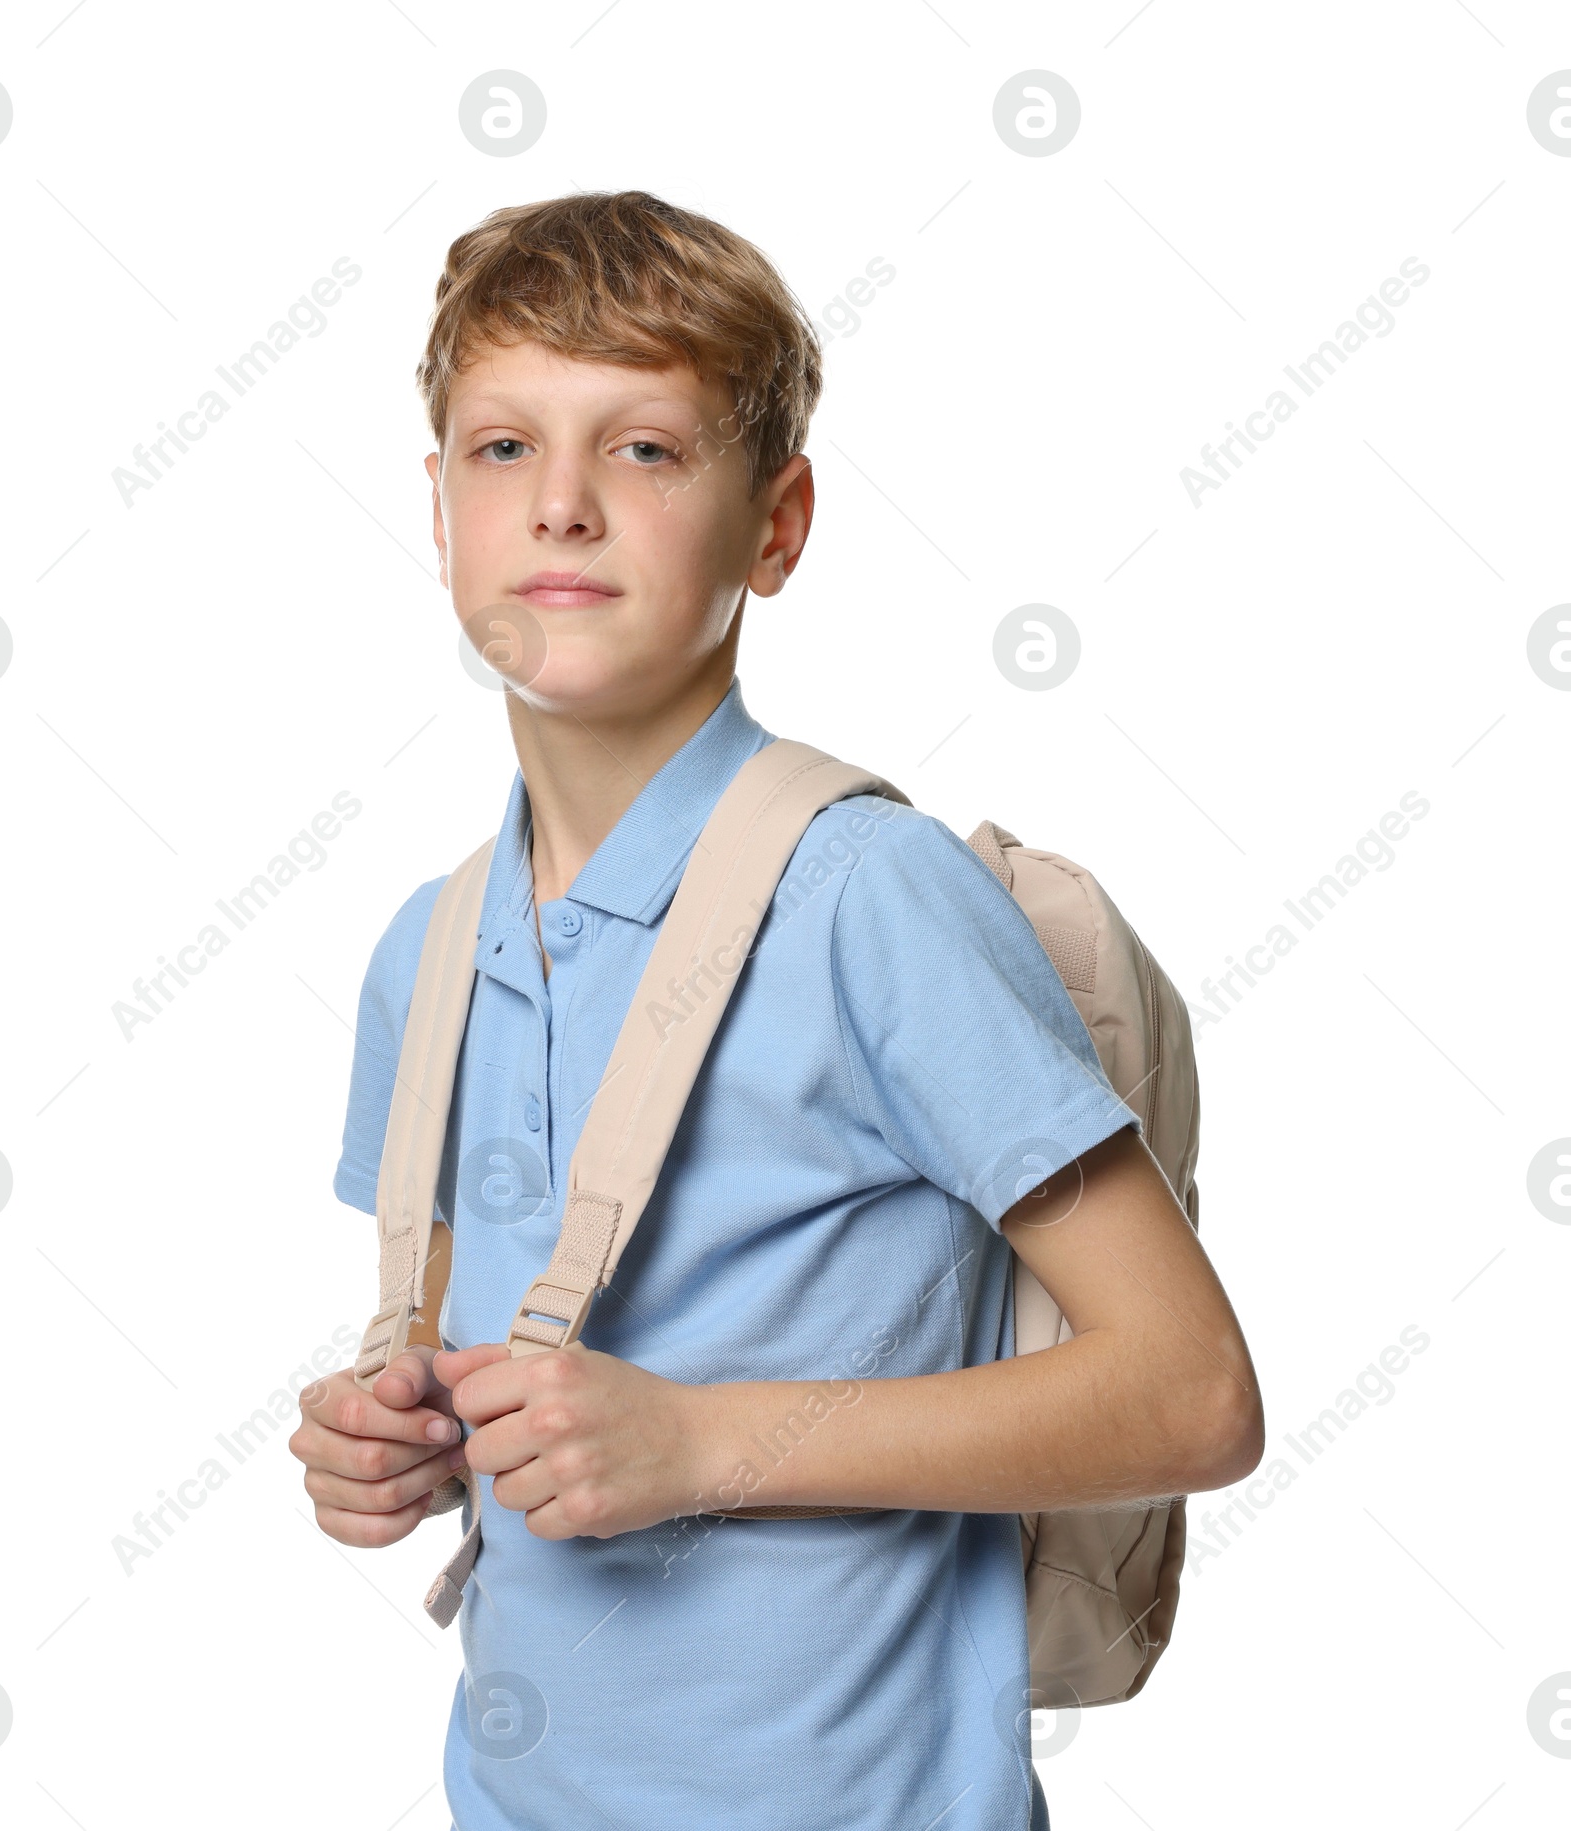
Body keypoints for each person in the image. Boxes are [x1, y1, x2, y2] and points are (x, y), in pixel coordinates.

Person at [288, 190, 1264, 1831]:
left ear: (779, 525)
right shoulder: (430, 948)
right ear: (440, 506)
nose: (566, 509)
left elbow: (1190, 1394)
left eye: (648, 449)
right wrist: (388, 1436)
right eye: (504, 448)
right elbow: (493, 1377)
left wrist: (695, 1446)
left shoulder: (867, 898)